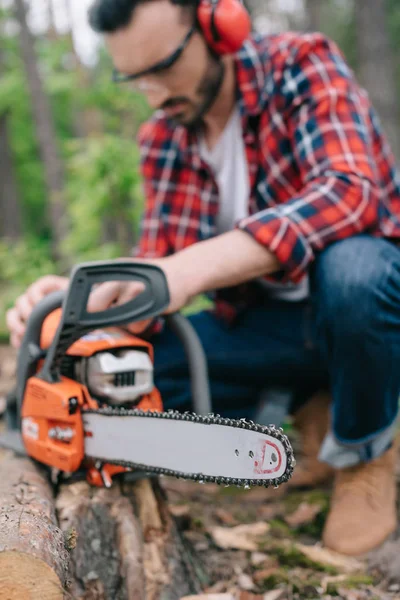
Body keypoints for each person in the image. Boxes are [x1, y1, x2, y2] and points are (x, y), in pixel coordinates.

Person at [6, 0, 400, 556]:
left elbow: (350, 192)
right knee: (131, 368)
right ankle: (315, 402)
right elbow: (154, 277)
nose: (155, 94)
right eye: (136, 78)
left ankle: (366, 452)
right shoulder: (165, 139)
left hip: (362, 306)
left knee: (354, 273)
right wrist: (85, 297)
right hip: (267, 329)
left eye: (164, 67)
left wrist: (191, 268)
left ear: (219, 24)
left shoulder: (301, 66)